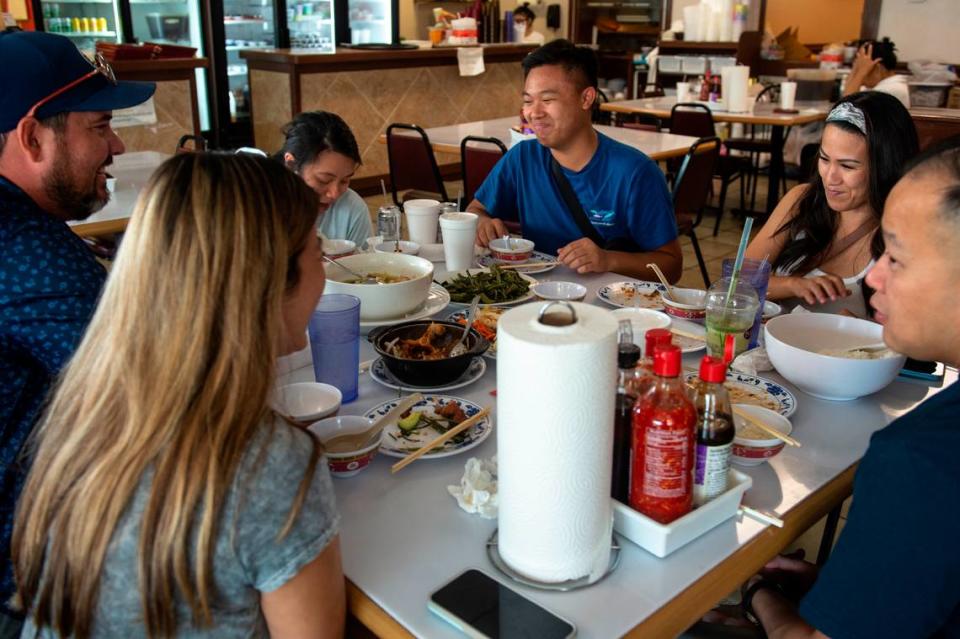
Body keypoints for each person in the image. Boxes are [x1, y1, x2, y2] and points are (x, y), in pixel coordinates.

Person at [13, 153, 345, 638]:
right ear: (271, 281)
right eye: (316, 251)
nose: (323, 267)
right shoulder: (271, 463)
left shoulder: (80, 410)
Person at [739, 136, 960, 639]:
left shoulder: (921, 459)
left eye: (896, 259)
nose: (874, 277)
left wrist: (759, 596)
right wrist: (843, 586)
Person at [0, 31, 154, 637]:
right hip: (28, 587)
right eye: (99, 127)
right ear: (33, 136)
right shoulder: (32, 251)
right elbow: (147, 405)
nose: (116, 145)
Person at [468, 40, 682, 282]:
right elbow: (475, 209)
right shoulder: (523, 158)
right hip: (535, 299)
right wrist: (482, 222)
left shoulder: (634, 172)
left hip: (610, 308)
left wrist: (607, 259)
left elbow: (672, 266)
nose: (534, 113)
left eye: (547, 100)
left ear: (586, 98)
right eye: (528, 101)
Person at [744, 91, 918, 316]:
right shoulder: (801, 200)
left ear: (884, 168)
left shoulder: (903, 233)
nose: (830, 178)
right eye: (824, 159)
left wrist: (860, 330)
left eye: (848, 166)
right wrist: (792, 284)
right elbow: (738, 280)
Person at [277, 110, 372, 247]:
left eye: (344, 181)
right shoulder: (265, 210)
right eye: (323, 180)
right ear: (291, 164)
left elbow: (363, 265)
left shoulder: (352, 208)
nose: (334, 194)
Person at [842, 38, 910, 108]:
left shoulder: (890, 89)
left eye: (864, 68)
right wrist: (856, 66)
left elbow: (846, 108)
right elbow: (845, 96)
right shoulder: (880, 86)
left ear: (878, 67)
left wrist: (861, 72)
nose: (862, 82)